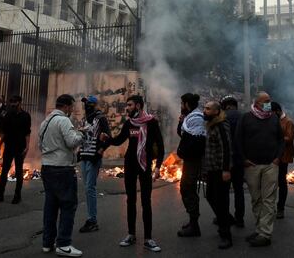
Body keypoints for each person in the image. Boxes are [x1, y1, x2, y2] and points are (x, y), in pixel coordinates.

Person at [100, 94, 164, 252]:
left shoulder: (151, 122)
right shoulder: (129, 123)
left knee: (146, 201)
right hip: (130, 164)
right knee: (130, 200)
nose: (126, 108)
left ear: (138, 106)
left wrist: (158, 168)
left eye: (129, 105)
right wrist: (107, 138)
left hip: (145, 165)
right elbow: (119, 140)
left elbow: (160, 146)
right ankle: (131, 234)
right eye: (126, 105)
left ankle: (148, 238)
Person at [235, 92, 283, 248]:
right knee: (256, 199)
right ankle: (259, 228)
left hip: (271, 165)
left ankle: (265, 234)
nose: (269, 103)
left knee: (269, 200)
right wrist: (244, 159)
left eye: (270, 100)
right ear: (257, 103)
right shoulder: (246, 118)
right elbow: (238, 140)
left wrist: (277, 158)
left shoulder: (274, 118)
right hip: (252, 166)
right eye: (266, 101)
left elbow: (281, 139)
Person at [39, 94, 84, 256]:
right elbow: (72, 141)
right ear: (65, 106)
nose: (72, 110)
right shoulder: (64, 120)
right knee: (68, 205)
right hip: (62, 169)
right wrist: (81, 134)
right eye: (71, 107)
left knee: (50, 206)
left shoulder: (46, 122)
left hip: (47, 168)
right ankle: (64, 244)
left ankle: (47, 242)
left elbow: (40, 144)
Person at [201, 101, 234, 250]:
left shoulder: (221, 125)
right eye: (204, 108)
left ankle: (226, 235)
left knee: (221, 201)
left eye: (208, 109)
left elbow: (226, 148)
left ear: (216, 111)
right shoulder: (212, 124)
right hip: (212, 169)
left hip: (221, 170)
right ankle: (226, 218)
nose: (204, 111)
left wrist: (226, 170)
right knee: (210, 196)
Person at [78, 95, 110, 233]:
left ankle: (92, 220)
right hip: (84, 156)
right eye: (85, 104)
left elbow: (108, 136)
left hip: (93, 157)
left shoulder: (100, 118)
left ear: (95, 105)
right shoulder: (84, 119)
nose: (87, 106)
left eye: (89, 104)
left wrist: (101, 150)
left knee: (90, 188)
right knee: (87, 188)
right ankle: (91, 218)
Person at [176, 92, 206, 237]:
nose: (181, 107)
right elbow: (182, 134)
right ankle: (192, 221)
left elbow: (197, 140)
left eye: (182, 104)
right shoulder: (189, 118)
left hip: (193, 160)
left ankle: (194, 225)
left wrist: (185, 152)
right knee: (185, 188)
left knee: (188, 188)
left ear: (187, 104)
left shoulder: (196, 118)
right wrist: (181, 122)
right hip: (189, 160)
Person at [0, 94, 32, 204]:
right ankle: (0, 194)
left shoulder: (25, 116)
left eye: (15, 103)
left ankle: (17, 195)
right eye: (11, 103)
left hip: (20, 147)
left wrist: (27, 146)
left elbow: (27, 133)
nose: (13, 105)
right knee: (4, 170)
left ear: (20, 102)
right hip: (9, 146)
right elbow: (4, 132)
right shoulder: (8, 115)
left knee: (19, 171)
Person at [221, 96, 245, 227]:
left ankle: (225, 217)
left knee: (224, 191)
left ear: (226, 106)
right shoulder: (244, 117)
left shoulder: (223, 117)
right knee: (238, 190)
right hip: (240, 159)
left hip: (226, 159)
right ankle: (239, 219)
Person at [271, 102, 294, 219]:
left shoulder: (288, 122)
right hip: (272, 157)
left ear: (278, 111)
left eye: (272, 112)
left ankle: (281, 208)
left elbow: (289, 139)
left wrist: (274, 138)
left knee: (281, 183)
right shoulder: (273, 120)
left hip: (283, 157)